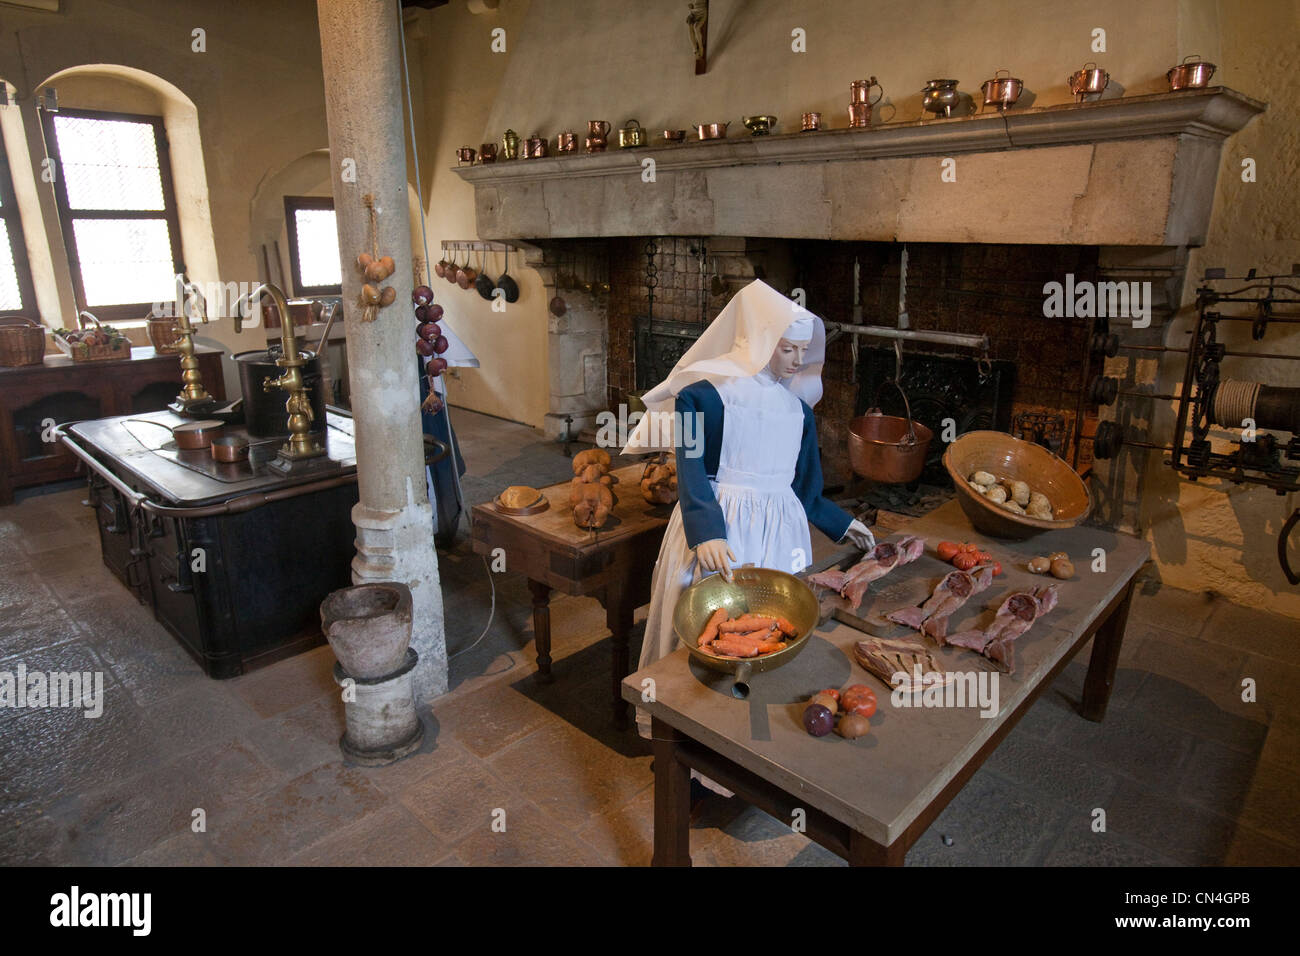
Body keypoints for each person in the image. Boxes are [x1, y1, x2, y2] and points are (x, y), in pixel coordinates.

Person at [622, 279, 875, 756]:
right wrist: (706, 531)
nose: (797, 361)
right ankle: (685, 748)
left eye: (803, 351)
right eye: (787, 349)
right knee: (702, 637)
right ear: (759, 341)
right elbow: (692, 467)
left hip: (778, 537)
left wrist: (842, 523)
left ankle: (748, 749)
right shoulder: (704, 396)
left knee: (767, 638)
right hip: (722, 532)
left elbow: (804, 488)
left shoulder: (797, 410)